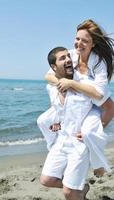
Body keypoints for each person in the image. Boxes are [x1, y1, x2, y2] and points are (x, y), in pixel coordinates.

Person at [44, 19, 114, 177]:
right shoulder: (72, 54)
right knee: (43, 120)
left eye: (85, 40)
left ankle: (98, 165)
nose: (78, 43)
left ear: (93, 44)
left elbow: (98, 95)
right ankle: (55, 147)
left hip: (96, 101)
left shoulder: (99, 63)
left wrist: (72, 84)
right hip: (83, 98)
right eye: (77, 38)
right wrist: (62, 83)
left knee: (89, 132)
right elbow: (48, 76)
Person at [39, 46, 93, 200]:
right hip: (61, 140)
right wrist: (56, 123)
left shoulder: (82, 82)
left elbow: (104, 107)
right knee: (46, 180)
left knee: (69, 193)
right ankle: (82, 190)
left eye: (68, 56)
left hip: (79, 143)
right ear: (53, 67)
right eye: (62, 58)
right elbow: (57, 110)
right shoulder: (51, 87)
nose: (68, 59)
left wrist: (92, 130)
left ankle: (77, 192)